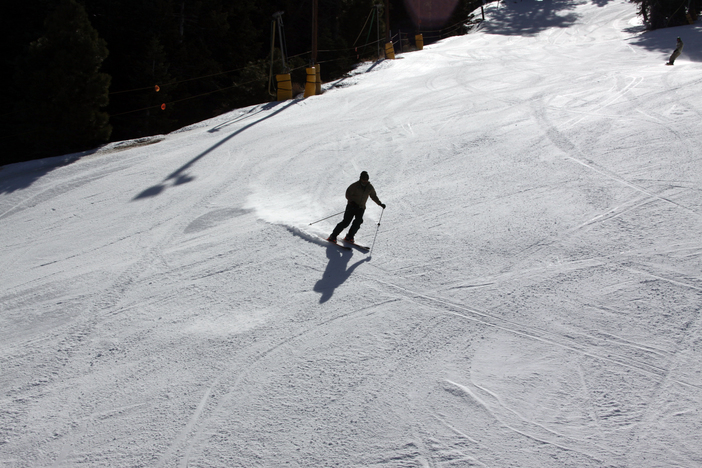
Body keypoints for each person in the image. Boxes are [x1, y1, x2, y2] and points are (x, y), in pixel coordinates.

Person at [328, 171, 386, 243]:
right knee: (346, 222)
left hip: (361, 208)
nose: (365, 181)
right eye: (364, 179)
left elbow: (373, 196)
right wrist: (352, 202)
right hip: (351, 206)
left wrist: (380, 204)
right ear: (360, 178)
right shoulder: (355, 186)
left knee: (358, 222)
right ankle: (333, 236)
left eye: (366, 179)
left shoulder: (369, 187)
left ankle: (350, 236)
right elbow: (348, 194)